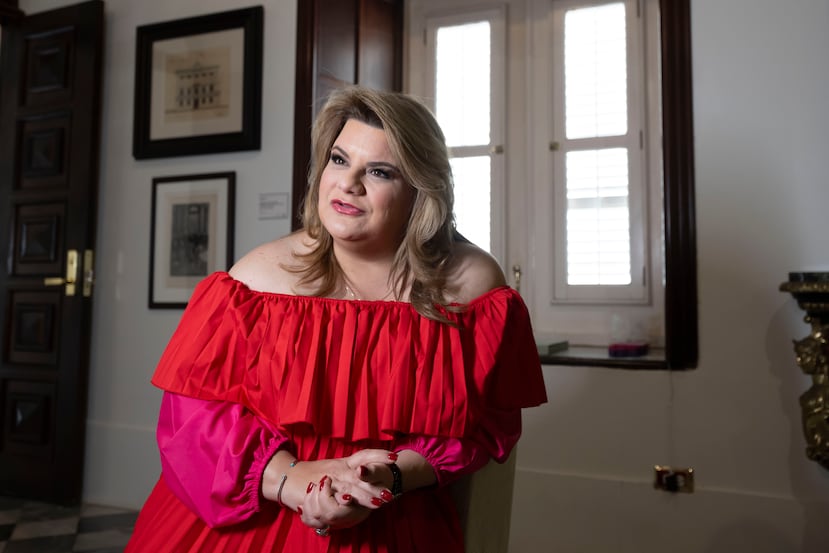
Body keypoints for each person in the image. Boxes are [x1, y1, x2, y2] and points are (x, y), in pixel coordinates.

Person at [126, 85, 547, 552]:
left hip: (393, 518)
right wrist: (293, 480)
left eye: (380, 171)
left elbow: (485, 423)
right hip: (256, 516)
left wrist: (382, 478)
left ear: (419, 190)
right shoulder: (252, 281)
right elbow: (193, 423)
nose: (348, 183)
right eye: (339, 160)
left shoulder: (471, 286)